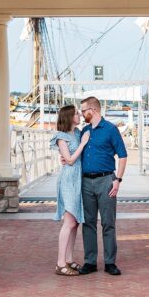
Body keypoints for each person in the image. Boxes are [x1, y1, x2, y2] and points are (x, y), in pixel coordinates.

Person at [78, 96, 128, 276]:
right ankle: (90, 261)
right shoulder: (83, 130)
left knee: (108, 223)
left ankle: (109, 262)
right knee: (88, 223)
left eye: (84, 111)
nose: (82, 114)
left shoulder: (111, 130)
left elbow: (122, 155)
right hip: (85, 182)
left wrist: (118, 180)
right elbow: (75, 153)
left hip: (106, 180)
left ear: (94, 110)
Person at [49, 105, 91, 277]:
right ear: (68, 117)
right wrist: (82, 144)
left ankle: (69, 259)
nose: (79, 115)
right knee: (69, 222)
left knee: (75, 222)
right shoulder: (61, 137)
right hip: (68, 179)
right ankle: (60, 263)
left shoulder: (78, 132)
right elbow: (70, 160)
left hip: (78, 179)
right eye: (76, 113)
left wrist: (82, 141)